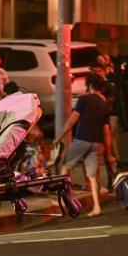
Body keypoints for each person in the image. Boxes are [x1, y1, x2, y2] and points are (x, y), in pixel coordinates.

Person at [53, 74, 116, 217]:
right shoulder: (105, 106)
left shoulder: (84, 100)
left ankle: (64, 200)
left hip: (82, 139)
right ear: (103, 88)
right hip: (98, 143)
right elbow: (107, 132)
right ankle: (97, 207)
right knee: (93, 176)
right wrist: (109, 153)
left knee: (66, 166)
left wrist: (59, 138)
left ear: (91, 86)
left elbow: (72, 121)